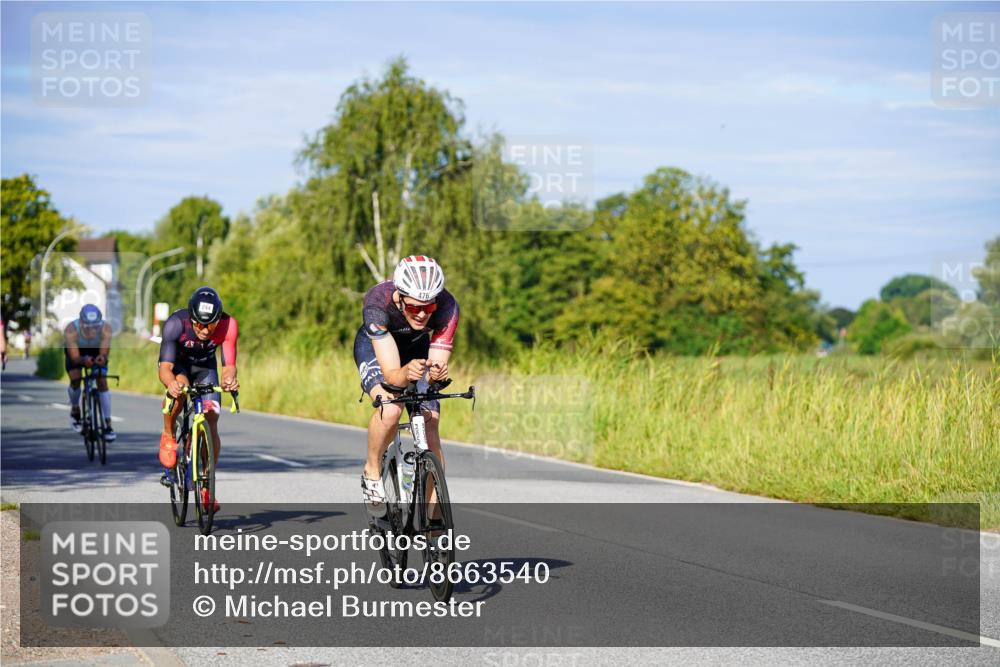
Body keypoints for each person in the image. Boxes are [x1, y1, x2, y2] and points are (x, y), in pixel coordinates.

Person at [354, 255, 459, 516]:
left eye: (429, 307)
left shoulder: (448, 306)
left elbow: (435, 370)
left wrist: (435, 376)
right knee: (391, 409)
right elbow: (392, 375)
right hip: (377, 347)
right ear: (400, 297)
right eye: (414, 307)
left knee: (430, 420)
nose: (422, 314)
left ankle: (434, 522)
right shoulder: (377, 303)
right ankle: (372, 469)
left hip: (417, 348)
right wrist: (405, 373)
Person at [157, 287, 239, 511]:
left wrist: (229, 379)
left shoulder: (229, 325)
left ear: (218, 320)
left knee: (212, 417)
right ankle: (168, 435)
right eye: (199, 324)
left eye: (210, 325)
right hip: (178, 365)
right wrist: (171, 384)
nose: (204, 330)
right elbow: (165, 368)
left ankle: (207, 484)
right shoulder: (176, 324)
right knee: (179, 393)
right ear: (191, 318)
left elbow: (229, 366)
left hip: (205, 368)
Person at [64, 305, 115, 440]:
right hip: (77, 351)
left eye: (96, 327)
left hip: (95, 350)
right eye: (88, 327)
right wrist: (84, 360)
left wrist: (101, 358)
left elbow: (104, 353)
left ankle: (107, 424)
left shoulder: (106, 329)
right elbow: (75, 358)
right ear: (81, 323)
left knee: (102, 380)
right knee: (76, 378)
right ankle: (75, 409)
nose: (92, 330)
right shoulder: (71, 330)